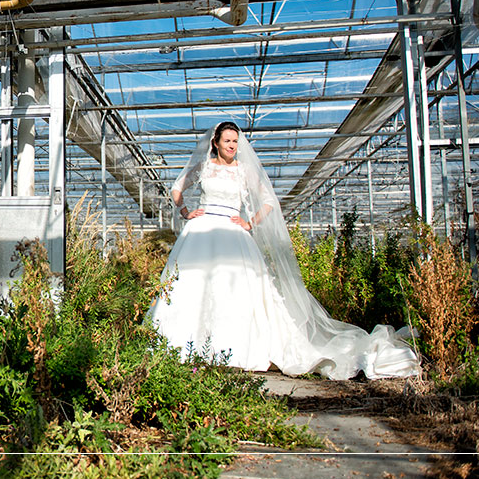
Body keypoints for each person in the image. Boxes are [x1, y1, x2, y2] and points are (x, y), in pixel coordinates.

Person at [148, 121, 420, 380]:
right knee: (192, 285)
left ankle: (233, 349)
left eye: (235, 141)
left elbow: (268, 200)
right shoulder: (204, 166)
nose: (232, 145)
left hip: (233, 232)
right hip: (202, 229)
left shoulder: (244, 170)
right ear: (216, 143)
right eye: (227, 141)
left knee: (235, 289)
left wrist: (249, 222)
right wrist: (185, 211)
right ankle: (185, 346)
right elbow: (177, 186)